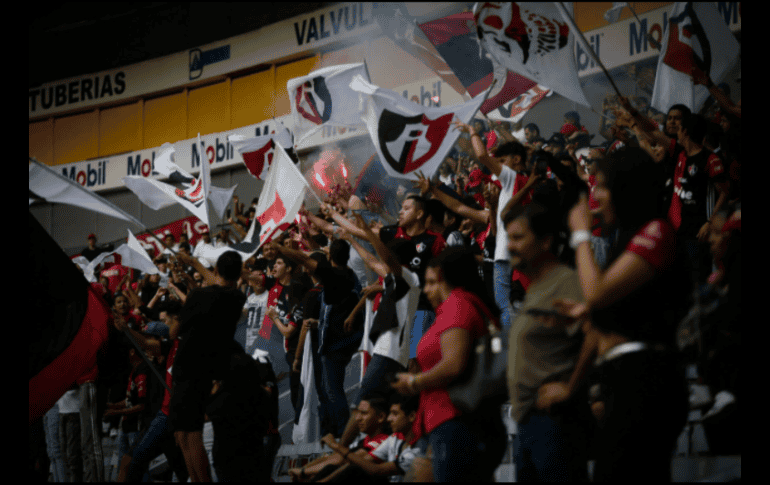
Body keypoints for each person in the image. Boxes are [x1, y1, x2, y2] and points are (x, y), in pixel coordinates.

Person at [554, 146, 691, 481]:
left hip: (647, 379)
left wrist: (581, 234)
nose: (594, 195)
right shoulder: (624, 241)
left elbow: (598, 292)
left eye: (601, 185)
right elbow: (600, 307)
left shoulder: (656, 231)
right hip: (622, 380)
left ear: (626, 187)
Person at [392, 248, 506, 482]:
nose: (427, 290)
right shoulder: (460, 306)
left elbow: (454, 364)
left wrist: (415, 382)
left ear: (446, 278)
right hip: (452, 423)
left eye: (432, 282)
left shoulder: (458, 306)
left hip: (456, 422)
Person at [503, 203, 591, 481]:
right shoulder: (536, 287)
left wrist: (571, 387)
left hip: (554, 424)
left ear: (545, 241)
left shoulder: (565, 281)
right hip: (528, 424)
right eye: (508, 238)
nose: (510, 246)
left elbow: (597, 333)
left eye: (518, 238)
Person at [169, 251, 247, 482]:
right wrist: (194, 263)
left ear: (215, 271)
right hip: (209, 369)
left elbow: (175, 332)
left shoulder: (197, 296)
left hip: (187, 369)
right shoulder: (236, 299)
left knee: (188, 436)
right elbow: (221, 286)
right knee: (187, 434)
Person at [453, 118, 528, 328]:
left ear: (515, 160)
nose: (498, 165)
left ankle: (510, 349)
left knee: (506, 308)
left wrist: (472, 131)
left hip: (507, 254)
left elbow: (482, 156)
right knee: (507, 307)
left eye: (502, 160)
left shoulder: (514, 178)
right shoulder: (510, 184)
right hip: (505, 253)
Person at [378, 195, 447, 359]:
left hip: (422, 309)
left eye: (406, 208)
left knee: (415, 361)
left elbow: (443, 276)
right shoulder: (395, 235)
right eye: (401, 208)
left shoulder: (434, 240)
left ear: (419, 214)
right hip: (396, 311)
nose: (400, 212)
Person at [289, 397, 390, 482]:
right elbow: (335, 458)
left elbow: (344, 462)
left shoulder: (382, 441)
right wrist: (303, 470)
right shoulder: (367, 438)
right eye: (358, 413)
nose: (358, 418)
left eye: (364, 413)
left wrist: (304, 472)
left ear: (380, 417)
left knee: (336, 469)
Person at [324, 394, 422, 482]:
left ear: (412, 416)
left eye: (395, 414)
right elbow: (358, 463)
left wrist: (335, 445)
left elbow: (376, 470)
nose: (389, 419)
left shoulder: (416, 450)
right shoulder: (394, 438)